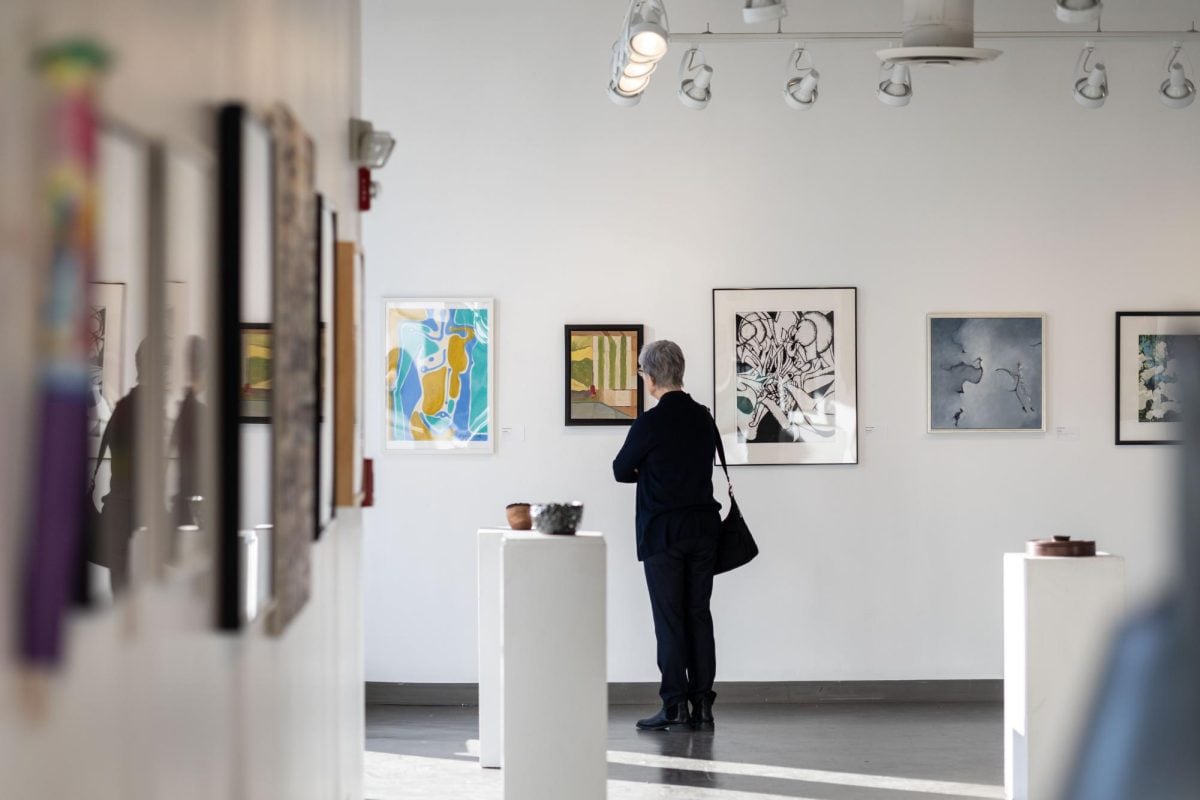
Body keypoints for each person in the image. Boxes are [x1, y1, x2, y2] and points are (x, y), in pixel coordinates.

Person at [613, 340, 722, 732]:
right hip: (704, 531)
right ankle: (703, 706)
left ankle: (674, 705)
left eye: (642, 373)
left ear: (652, 376)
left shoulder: (650, 423)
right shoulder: (703, 417)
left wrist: (652, 473)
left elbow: (621, 470)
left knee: (671, 619)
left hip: (663, 534)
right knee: (698, 615)